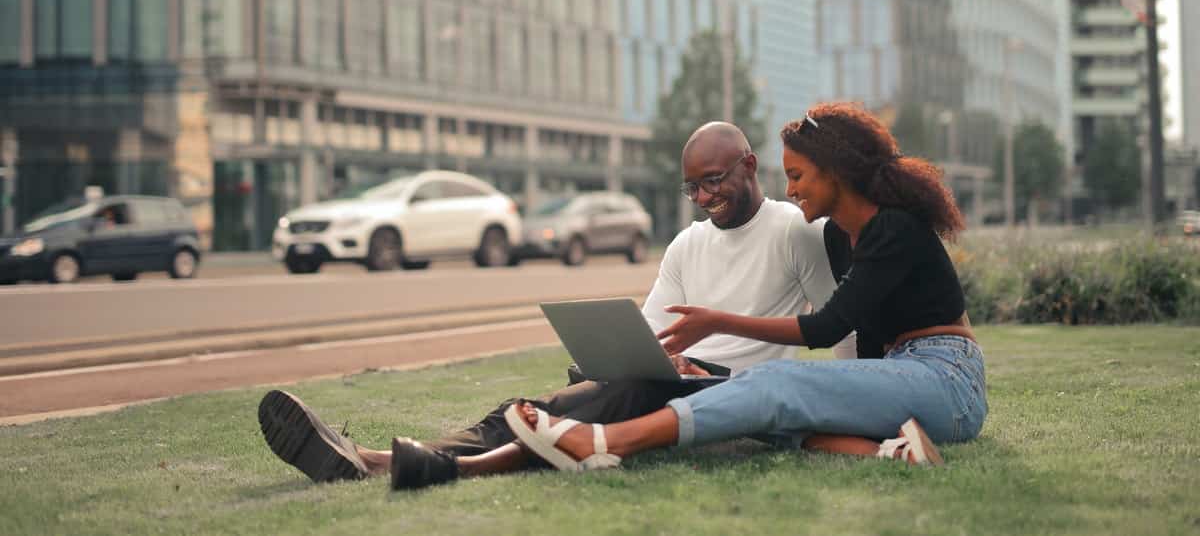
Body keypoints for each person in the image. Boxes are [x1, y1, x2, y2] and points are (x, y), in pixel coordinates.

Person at [258, 122, 856, 488]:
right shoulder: (686, 243)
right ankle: (394, 460)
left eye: (716, 180)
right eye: (693, 187)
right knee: (587, 396)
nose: (704, 197)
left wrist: (868, 399)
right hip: (672, 386)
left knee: (595, 401)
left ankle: (386, 461)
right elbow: (646, 336)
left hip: (735, 397)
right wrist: (663, 361)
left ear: (751, 166)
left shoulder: (792, 230)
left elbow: (837, 327)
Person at [454, 102, 987, 478]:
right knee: (763, 407)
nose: (791, 187)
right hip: (906, 376)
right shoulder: (838, 237)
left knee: (777, 385)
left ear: (838, 173)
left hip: (946, 376)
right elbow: (865, 345)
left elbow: (827, 328)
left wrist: (718, 321)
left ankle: (604, 443)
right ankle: (889, 455)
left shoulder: (892, 228)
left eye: (799, 175)